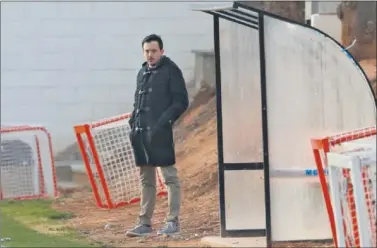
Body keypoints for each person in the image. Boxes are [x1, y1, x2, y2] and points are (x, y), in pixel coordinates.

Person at [126, 34, 189, 237]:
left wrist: (164, 121)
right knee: (146, 180)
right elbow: (138, 102)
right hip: (141, 134)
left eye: (154, 51)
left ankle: (173, 221)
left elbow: (181, 101)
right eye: (147, 51)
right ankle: (144, 223)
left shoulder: (171, 71)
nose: (150, 55)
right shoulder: (142, 72)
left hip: (160, 133)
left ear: (162, 51)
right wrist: (133, 121)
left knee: (170, 177)